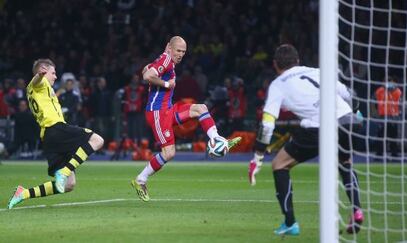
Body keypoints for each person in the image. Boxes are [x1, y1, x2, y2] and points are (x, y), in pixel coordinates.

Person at [248, 44, 364, 235]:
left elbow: (267, 123)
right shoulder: (317, 71)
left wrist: (258, 156)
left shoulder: (278, 84)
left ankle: (290, 222)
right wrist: (357, 112)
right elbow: (350, 94)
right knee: (344, 162)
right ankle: (357, 209)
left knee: (279, 165)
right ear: (298, 61)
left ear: (275, 65)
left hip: (320, 126)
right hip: (348, 121)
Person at [131, 36, 241, 202]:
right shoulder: (167, 59)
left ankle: (218, 140)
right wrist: (167, 84)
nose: (181, 54)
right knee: (169, 153)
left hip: (168, 110)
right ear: (169, 47)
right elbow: (148, 76)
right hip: (158, 113)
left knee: (200, 108)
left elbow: (146, 71)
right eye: (178, 50)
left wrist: (149, 70)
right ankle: (140, 180)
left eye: (183, 52)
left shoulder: (166, 60)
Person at [7, 59, 104, 209]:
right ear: (44, 70)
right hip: (55, 128)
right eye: (53, 73)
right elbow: (36, 81)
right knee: (97, 140)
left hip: (49, 137)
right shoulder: (40, 84)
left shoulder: (43, 91)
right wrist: (40, 75)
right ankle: (64, 172)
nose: (56, 76)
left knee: (69, 185)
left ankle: (23, 194)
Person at [371, 76, 402, 157]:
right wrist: (375, 114)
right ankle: (380, 153)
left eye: (389, 81)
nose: (387, 82)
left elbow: (401, 103)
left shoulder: (397, 91)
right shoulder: (379, 91)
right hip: (382, 116)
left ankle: (394, 153)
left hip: (393, 117)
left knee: (393, 136)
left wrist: (399, 113)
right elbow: (373, 102)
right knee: (381, 136)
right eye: (385, 81)